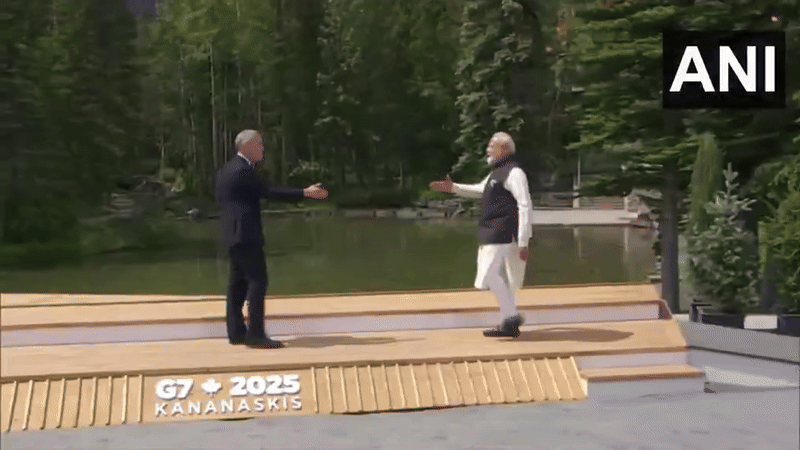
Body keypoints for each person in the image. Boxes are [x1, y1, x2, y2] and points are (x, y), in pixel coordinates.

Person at [215, 129, 328, 349]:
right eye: (260, 145)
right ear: (247, 146)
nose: (263, 149)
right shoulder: (242, 170)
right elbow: (269, 192)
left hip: (232, 235)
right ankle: (255, 335)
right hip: (246, 235)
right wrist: (305, 193)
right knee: (258, 281)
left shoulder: (227, 169)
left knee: (237, 284)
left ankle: (237, 332)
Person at [429, 132, 533, 338]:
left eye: (491, 146)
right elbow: (480, 190)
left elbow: (525, 205)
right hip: (495, 231)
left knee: (489, 274)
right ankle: (509, 319)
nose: (487, 149)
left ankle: (511, 318)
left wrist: (523, 241)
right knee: (500, 276)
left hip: (502, 230)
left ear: (504, 149)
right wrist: (454, 188)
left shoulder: (514, 173)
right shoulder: (497, 173)